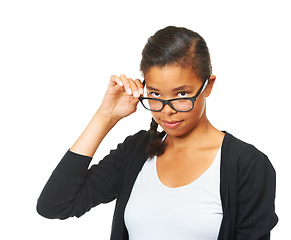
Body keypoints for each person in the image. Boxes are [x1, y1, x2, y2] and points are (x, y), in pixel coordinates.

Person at [37, 26, 278, 240]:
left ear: (208, 86)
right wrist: (105, 116)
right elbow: (55, 204)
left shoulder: (247, 165)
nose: (167, 110)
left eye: (182, 94)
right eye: (155, 94)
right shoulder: (137, 151)